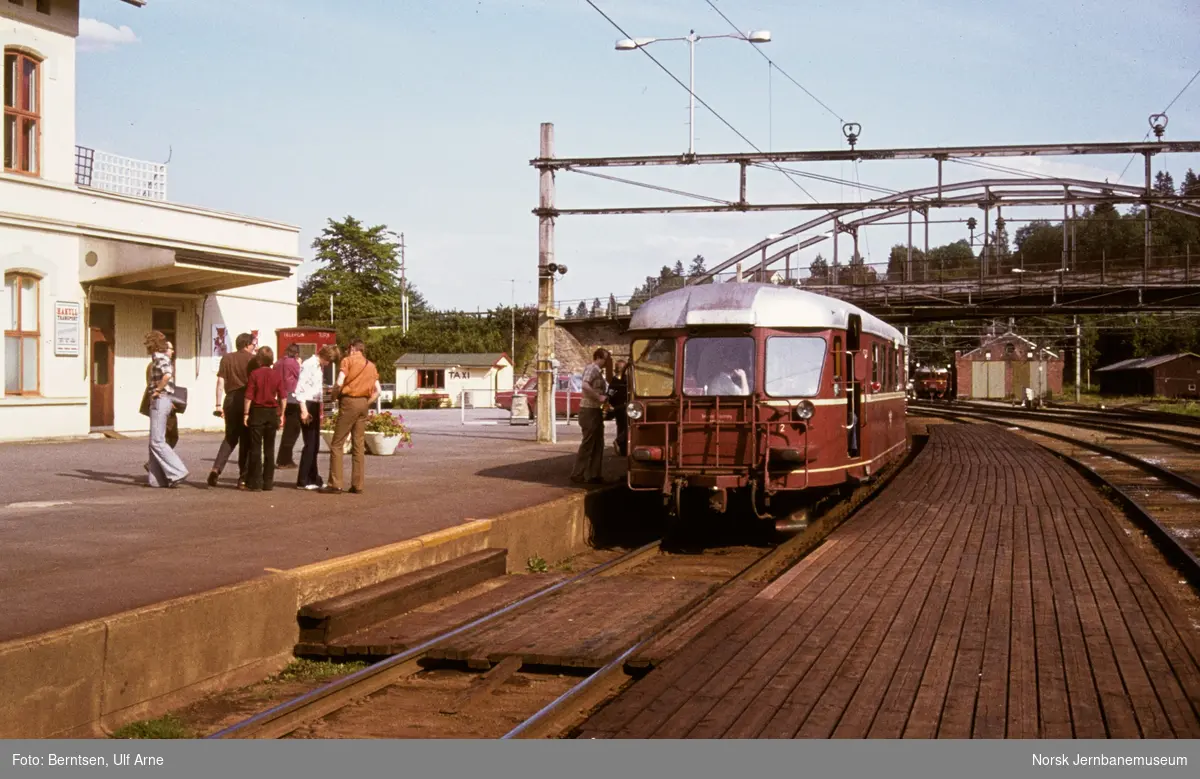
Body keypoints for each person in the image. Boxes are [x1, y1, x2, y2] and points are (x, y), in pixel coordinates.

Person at [320, 339, 380, 495]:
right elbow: (377, 391)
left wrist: (333, 396)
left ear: (352, 348)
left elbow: (339, 382)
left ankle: (335, 483)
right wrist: (366, 402)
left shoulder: (347, 361)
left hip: (349, 402)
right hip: (363, 403)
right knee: (358, 444)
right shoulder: (371, 366)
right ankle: (357, 484)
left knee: (337, 443)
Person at [208, 332, 256, 488]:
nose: (254, 347)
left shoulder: (227, 358)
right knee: (246, 440)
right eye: (253, 344)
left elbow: (220, 382)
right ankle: (242, 479)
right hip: (246, 399)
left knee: (230, 437)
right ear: (247, 344)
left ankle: (216, 469)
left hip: (230, 399)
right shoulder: (252, 360)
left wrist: (217, 405)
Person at [144, 330, 188, 488]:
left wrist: (157, 390)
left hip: (160, 399)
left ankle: (178, 471)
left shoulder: (160, 358)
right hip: (163, 400)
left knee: (157, 441)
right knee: (154, 441)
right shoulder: (162, 357)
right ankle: (156, 480)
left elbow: (167, 375)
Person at [294, 344, 339, 490]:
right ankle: (303, 479)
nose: (329, 364)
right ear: (326, 357)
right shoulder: (309, 365)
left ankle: (314, 477)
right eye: (329, 361)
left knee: (315, 445)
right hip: (306, 404)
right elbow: (300, 388)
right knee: (310, 444)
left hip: (313, 404)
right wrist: (304, 410)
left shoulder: (318, 366)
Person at [242, 346, 286, 492]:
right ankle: (268, 482)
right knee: (269, 448)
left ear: (259, 360)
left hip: (258, 411)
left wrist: (246, 414)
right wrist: (282, 414)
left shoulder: (254, 374)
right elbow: (283, 397)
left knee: (255, 448)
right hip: (272, 412)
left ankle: (255, 482)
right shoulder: (276, 375)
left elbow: (249, 396)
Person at [571, 348, 609, 484]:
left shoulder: (599, 372)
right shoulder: (591, 369)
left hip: (595, 410)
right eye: (605, 359)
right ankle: (577, 473)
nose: (606, 362)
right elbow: (585, 386)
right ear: (599, 357)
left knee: (598, 442)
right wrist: (598, 397)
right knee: (588, 442)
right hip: (588, 410)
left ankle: (594, 475)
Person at [143, 340, 180, 473]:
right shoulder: (159, 363)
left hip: (161, 401)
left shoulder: (158, 363)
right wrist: (161, 392)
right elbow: (163, 380)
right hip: (162, 402)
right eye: (170, 348)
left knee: (159, 438)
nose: (172, 351)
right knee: (168, 437)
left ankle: (156, 468)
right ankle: (169, 468)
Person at [274, 343, 303, 469]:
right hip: (293, 398)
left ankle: (284, 458)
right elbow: (302, 377)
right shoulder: (293, 363)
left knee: (288, 430)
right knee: (293, 430)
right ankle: (284, 459)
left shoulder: (278, 363)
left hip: (281, 396)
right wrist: (300, 364)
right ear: (296, 353)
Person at [607, 358, 629, 456]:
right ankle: (619, 441)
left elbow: (610, 394)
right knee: (627, 427)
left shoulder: (614, 380)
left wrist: (611, 404)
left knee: (621, 427)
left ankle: (622, 450)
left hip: (617, 408)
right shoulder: (625, 379)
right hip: (624, 407)